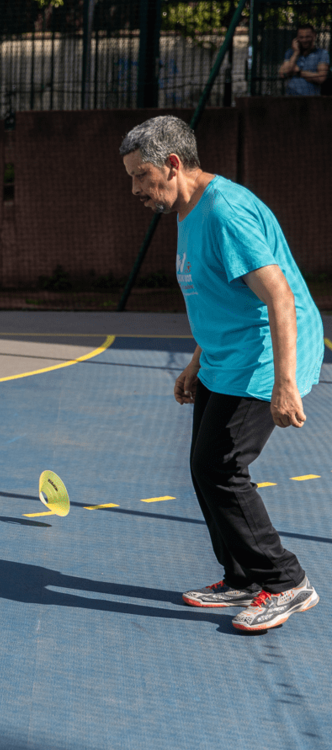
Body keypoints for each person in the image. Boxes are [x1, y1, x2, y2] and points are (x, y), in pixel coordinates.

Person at [119, 115, 323, 632]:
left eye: (140, 176)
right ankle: (241, 577)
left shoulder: (225, 211)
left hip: (264, 357)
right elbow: (219, 297)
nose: (135, 189)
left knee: (221, 468)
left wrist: (284, 383)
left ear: (171, 164)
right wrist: (197, 361)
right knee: (202, 465)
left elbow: (278, 296)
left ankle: (285, 581)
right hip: (224, 355)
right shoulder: (188, 209)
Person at [279, 24, 329, 96]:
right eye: (301, 37)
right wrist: (296, 53)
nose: (304, 40)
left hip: (311, 99)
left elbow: (321, 78)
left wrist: (298, 72)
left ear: (314, 36)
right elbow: (283, 74)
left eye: (307, 37)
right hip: (290, 98)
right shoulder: (290, 53)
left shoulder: (322, 53)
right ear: (296, 38)